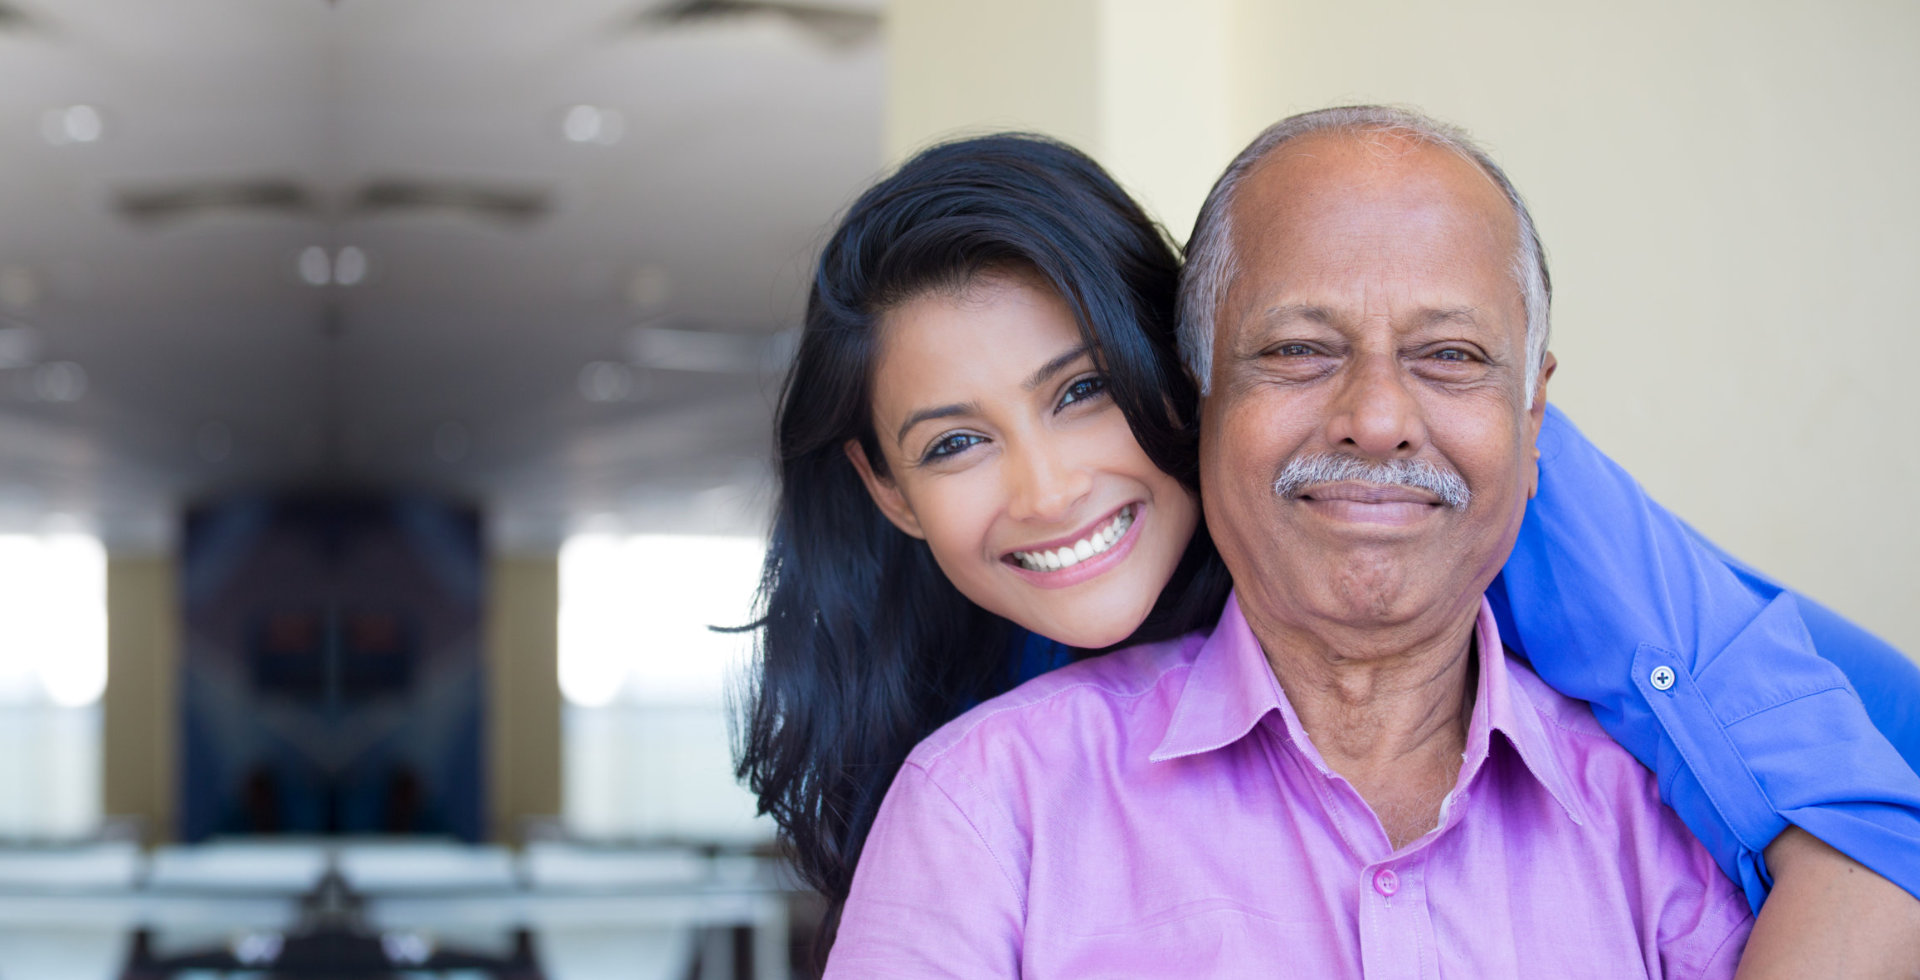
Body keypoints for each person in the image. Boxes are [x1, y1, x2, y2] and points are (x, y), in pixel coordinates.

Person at [737, 124, 1920, 967]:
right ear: (886, 491)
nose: (1047, 490)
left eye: (1082, 390)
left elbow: (1873, 829)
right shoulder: (985, 767)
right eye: (953, 444)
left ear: (1173, 373)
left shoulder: (1486, 504)